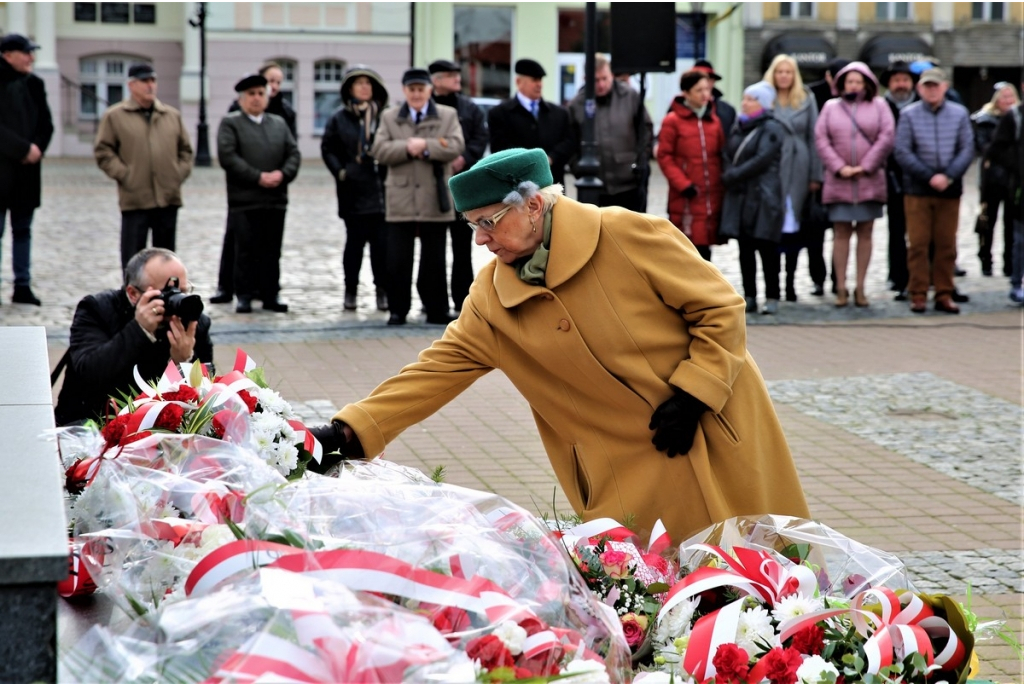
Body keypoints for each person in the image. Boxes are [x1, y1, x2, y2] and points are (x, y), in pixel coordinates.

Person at [307, 147, 810, 543]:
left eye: (488, 222)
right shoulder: (491, 299)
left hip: (710, 429)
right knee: (660, 604)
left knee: (763, 585)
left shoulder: (628, 234)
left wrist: (697, 392)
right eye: (472, 226)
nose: (481, 241)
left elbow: (719, 308)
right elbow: (437, 369)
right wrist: (348, 432)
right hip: (623, 470)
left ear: (532, 204)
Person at [53, 248, 213, 426]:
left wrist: (183, 361)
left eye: (183, 291)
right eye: (167, 293)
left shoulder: (195, 322)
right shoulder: (96, 309)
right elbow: (90, 371)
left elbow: (204, 396)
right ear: (133, 293)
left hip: (160, 432)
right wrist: (139, 330)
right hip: (91, 425)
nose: (178, 300)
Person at [371, 67, 465, 326]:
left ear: (429, 90)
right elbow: (379, 149)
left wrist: (426, 147)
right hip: (400, 197)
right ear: (404, 91)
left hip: (435, 196)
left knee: (434, 259)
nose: (416, 94)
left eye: (420, 89)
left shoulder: (447, 115)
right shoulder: (390, 117)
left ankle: (436, 309)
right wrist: (406, 147)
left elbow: (456, 144)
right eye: (411, 89)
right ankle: (397, 309)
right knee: (398, 259)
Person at [211, 62, 297, 305]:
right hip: (245, 200)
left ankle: (271, 294)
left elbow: (293, 153)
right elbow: (228, 156)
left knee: (272, 251)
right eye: (251, 94)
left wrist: (282, 174)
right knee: (244, 250)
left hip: (275, 199)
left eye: (261, 93)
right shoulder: (231, 123)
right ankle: (244, 295)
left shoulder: (278, 123)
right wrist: (257, 177)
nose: (257, 98)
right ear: (241, 99)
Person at [94, 63, 194, 272]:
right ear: (131, 85)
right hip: (135, 198)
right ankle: (133, 301)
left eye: (153, 80)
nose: (150, 85)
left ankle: (166, 299)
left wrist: (177, 175)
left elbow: (186, 151)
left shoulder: (171, 115)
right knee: (133, 259)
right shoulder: (116, 116)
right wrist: (126, 175)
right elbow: (104, 152)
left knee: (166, 259)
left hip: (167, 197)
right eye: (145, 81)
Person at [893, 67, 974, 314]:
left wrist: (948, 176)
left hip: (949, 191)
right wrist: (929, 176)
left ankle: (944, 292)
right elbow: (902, 151)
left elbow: (967, 148)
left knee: (946, 244)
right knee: (917, 244)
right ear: (919, 89)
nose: (932, 90)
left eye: (935, 85)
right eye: (927, 86)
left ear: (944, 87)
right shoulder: (908, 115)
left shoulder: (959, 114)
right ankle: (917, 293)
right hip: (918, 189)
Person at [814, 61, 895, 308]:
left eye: (858, 81)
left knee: (866, 232)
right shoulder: (830, 107)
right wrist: (840, 167)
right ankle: (841, 287)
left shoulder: (879, 106)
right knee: (840, 234)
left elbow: (887, 136)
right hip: (839, 181)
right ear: (841, 83)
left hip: (869, 180)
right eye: (849, 81)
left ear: (867, 83)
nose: (854, 85)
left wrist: (866, 166)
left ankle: (860, 287)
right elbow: (821, 139)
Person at [321, 65, 389, 312]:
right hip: (353, 192)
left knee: (381, 248)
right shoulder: (339, 118)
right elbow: (328, 148)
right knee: (354, 247)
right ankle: (350, 291)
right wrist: (342, 171)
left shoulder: (385, 116)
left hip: (381, 191)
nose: (364, 87)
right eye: (358, 83)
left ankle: (382, 291)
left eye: (368, 83)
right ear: (350, 89)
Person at [720, 81, 786, 315]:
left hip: (763, 197)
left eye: (751, 99)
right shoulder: (739, 126)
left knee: (767, 248)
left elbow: (762, 159)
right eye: (745, 98)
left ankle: (772, 296)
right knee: (745, 249)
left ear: (763, 103)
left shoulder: (772, 128)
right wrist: (730, 171)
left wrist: (732, 175)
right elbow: (728, 153)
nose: (744, 103)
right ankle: (750, 295)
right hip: (741, 197)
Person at [429, 58, 489, 313]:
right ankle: (433, 301)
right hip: (430, 184)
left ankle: (462, 298)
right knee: (433, 246)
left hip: (461, 183)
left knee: (462, 245)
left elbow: (480, 137)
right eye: (451, 75)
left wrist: (465, 157)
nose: (458, 79)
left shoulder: (469, 107)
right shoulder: (427, 105)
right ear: (436, 80)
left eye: (457, 74)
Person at [764, 54, 824, 302]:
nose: (784, 76)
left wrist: (815, 175)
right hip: (774, 165)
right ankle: (774, 283)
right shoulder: (766, 99)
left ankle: (790, 281)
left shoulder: (806, 99)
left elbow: (815, 138)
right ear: (773, 74)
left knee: (795, 226)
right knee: (774, 226)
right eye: (780, 72)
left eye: (788, 72)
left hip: (799, 166)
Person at [0, 33, 53, 307]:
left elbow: (47, 124)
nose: (31, 57)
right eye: (26, 52)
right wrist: (23, 149)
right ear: (7, 54)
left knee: (23, 231)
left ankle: (23, 285)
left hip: (26, 174)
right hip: (2, 171)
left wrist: (37, 149)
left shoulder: (35, 84)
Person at [567, 54, 653, 212]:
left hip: (629, 184)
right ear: (586, 78)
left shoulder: (630, 96)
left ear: (612, 74)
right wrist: (578, 169)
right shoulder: (577, 105)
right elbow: (570, 142)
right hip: (595, 186)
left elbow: (646, 130)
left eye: (604, 78)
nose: (601, 85)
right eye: (596, 80)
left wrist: (641, 160)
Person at [656, 70, 725, 261]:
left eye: (707, 89)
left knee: (705, 248)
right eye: (698, 90)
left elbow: (720, 155)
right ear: (686, 93)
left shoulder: (714, 121)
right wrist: (683, 184)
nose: (705, 94)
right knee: (685, 248)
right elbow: (664, 156)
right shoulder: (673, 121)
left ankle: (704, 289)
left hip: (711, 194)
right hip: (686, 194)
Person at [488, 59, 573, 186]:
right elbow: (499, 147)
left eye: (540, 80)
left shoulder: (559, 114)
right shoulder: (500, 113)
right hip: (517, 187)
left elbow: (569, 142)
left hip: (552, 185)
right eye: (534, 80)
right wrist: (530, 162)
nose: (539, 84)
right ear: (519, 82)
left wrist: (550, 158)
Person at [971, 82, 1020, 277]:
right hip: (991, 179)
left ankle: (1010, 263)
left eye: (1011, 96)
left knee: (1012, 223)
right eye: (1004, 97)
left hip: (1013, 178)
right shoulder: (984, 120)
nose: (1008, 101)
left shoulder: (1018, 118)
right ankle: (986, 260)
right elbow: (985, 148)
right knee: (986, 222)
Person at [881, 60, 919, 301]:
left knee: (921, 233)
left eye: (905, 80)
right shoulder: (881, 106)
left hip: (919, 177)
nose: (901, 84)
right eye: (897, 80)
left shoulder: (920, 103)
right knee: (896, 230)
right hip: (892, 177)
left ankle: (921, 276)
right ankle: (897, 276)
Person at [984, 84, 1023, 302]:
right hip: (1015, 187)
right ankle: (1017, 282)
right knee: (1019, 238)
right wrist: (1018, 167)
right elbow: (994, 150)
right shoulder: (1014, 117)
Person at [692, 59, 736, 137]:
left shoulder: (728, 111)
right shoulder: (678, 109)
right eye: (698, 79)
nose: (703, 83)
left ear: (713, 81)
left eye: (707, 79)